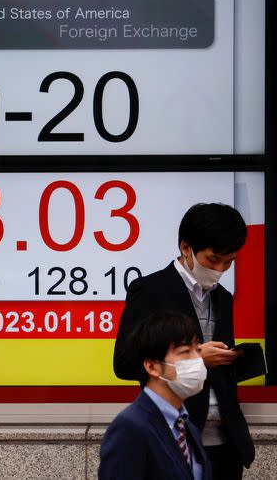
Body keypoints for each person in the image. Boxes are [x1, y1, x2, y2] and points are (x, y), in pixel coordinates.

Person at [113, 203, 254, 479]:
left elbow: (217, 372)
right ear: (186, 247)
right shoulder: (150, 290)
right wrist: (196, 358)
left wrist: (234, 360)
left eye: (229, 262)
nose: (220, 269)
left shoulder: (223, 297)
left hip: (225, 444)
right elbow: (126, 364)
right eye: (213, 260)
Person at [100, 310, 211, 480]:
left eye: (198, 350)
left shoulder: (186, 425)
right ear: (152, 367)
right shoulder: (129, 428)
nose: (197, 360)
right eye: (185, 352)